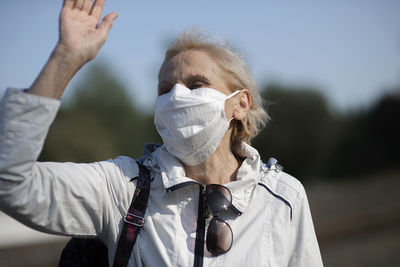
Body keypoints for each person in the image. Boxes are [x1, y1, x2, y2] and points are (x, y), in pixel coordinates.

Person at [0, 0, 323, 266]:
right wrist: (65, 59)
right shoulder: (121, 188)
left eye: (196, 84)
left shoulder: (283, 196)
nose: (177, 97)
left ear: (240, 104)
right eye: (165, 89)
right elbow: (10, 183)